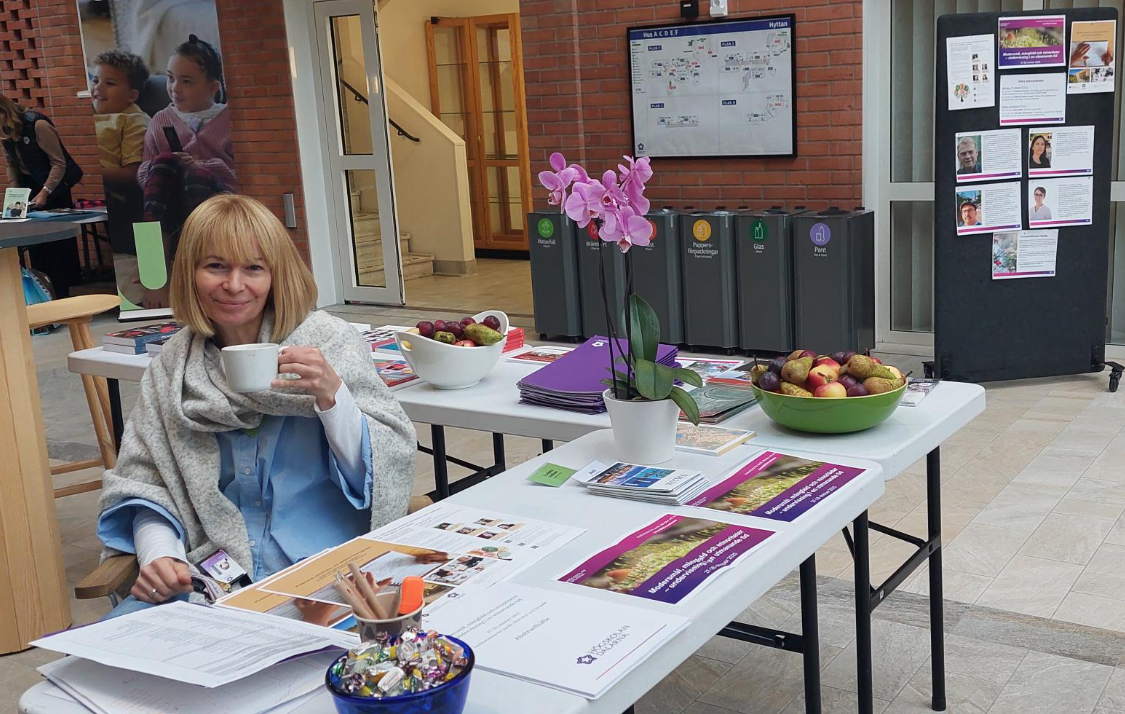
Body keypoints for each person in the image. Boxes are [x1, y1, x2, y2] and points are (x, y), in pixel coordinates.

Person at [96, 194, 417, 618]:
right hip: (212, 577)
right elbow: (145, 482)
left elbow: (386, 470)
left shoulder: (330, 343)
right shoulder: (173, 368)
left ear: (276, 275)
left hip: (325, 574)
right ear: (190, 274)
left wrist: (332, 398)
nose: (234, 285)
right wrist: (160, 556)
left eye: (253, 268)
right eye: (215, 266)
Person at [137, 34, 238, 308]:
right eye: (170, 78)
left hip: (217, 200)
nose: (174, 88)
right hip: (171, 199)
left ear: (212, 87)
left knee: (195, 175)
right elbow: (144, 171)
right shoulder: (161, 119)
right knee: (160, 165)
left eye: (187, 81)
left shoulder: (231, 119)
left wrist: (202, 166)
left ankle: (205, 277)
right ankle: (154, 278)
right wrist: (169, 163)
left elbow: (242, 176)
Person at [0, 92, 84, 297]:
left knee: (56, 246)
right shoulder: (5, 130)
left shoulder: (38, 125)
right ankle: (44, 293)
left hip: (54, 186)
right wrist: (14, 190)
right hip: (30, 185)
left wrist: (45, 191)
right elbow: (11, 162)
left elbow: (58, 163)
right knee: (36, 244)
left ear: (3, 111)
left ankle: (64, 293)